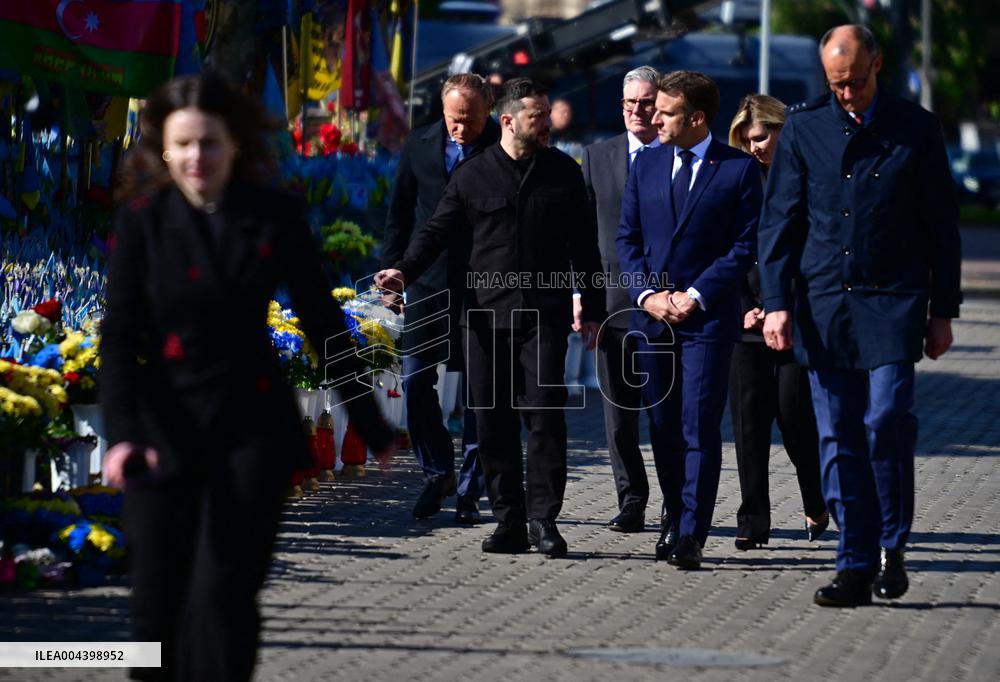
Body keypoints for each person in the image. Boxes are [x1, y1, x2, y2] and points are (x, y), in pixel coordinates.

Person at [100, 73, 394, 681]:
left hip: (250, 430)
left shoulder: (273, 216)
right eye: (181, 145)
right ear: (162, 150)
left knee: (224, 596)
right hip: (162, 431)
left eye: (208, 143)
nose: (195, 158)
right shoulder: (142, 221)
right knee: (155, 604)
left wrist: (370, 420)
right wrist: (122, 433)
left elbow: (321, 318)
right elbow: (120, 336)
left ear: (234, 144)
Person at [758, 24, 961, 607]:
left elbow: (940, 224)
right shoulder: (804, 128)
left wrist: (942, 310)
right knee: (839, 434)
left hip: (893, 299)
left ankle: (890, 546)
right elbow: (780, 224)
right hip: (824, 303)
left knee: (888, 419)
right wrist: (775, 303)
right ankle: (852, 562)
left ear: (878, 65)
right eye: (836, 84)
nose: (847, 93)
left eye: (856, 82)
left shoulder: (915, 128)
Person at [376, 78, 606, 558]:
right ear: (508, 121)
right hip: (484, 318)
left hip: (542, 316)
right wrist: (403, 270)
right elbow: (435, 229)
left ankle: (544, 520)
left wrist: (595, 311)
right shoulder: (473, 175)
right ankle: (509, 522)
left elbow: (585, 248)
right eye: (537, 117)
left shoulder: (564, 173)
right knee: (492, 421)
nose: (546, 124)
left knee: (544, 418)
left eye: (546, 115)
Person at [616, 71, 761, 569]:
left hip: (706, 320)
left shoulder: (738, 170)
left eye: (665, 112)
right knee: (661, 425)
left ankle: (691, 534)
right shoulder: (647, 164)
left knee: (698, 424)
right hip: (653, 320)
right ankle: (673, 514)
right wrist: (648, 294)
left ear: (696, 118)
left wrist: (696, 294)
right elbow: (627, 241)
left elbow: (744, 245)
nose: (652, 118)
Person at [381, 73, 500, 524]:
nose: (461, 129)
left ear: (488, 111)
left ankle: (471, 487)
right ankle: (437, 471)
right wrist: (393, 275)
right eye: (454, 119)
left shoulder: (502, 146)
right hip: (427, 281)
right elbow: (400, 213)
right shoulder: (420, 143)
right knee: (414, 380)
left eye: (469, 120)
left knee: (478, 391)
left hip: (484, 286)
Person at [726, 94, 829, 550]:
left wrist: (782, 303)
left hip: (797, 319)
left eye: (762, 136)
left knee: (794, 417)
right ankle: (752, 522)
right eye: (747, 140)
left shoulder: (811, 181)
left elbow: (817, 255)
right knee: (748, 425)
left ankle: (816, 499)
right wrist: (742, 305)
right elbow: (726, 253)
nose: (755, 147)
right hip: (746, 321)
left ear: (784, 130)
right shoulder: (738, 184)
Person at [580, 65, 661, 534]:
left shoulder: (677, 155)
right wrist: (583, 300)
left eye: (646, 103)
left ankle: (678, 502)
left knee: (668, 414)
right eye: (629, 103)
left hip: (667, 308)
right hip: (611, 306)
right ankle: (631, 500)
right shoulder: (597, 156)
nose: (636, 111)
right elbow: (585, 236)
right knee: (618, 418)